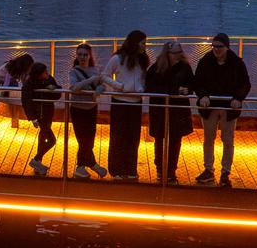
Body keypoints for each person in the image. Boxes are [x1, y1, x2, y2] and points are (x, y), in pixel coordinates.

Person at [192, 33, 251, 188]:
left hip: (228, 107)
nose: (216, 49)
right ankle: (208, 169)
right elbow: (197, 82)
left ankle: (225, 172)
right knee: (208, 139)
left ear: (227, 47)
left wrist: (238, 98)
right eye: (214, 46)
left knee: (228, 140)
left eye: (220, 47)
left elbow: (245, 83)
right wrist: (203, 95)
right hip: (209, 107)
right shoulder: (205, 62)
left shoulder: (237, 63)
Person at [145, 41, 194, 184]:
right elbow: (150, 86)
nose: (179, 55)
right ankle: (160, 169)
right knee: (160, 139)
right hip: (160, 109)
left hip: (177, 111)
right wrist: (175, 90)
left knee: (175, 141)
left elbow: (192, 83)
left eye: (180, 52)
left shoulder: (185, 68)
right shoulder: (156, 69)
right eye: (175, 53)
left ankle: (171, 171)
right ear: (168, 54)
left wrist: (188, 90)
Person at [102, 30, 149, 179]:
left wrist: (142, 87)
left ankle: (130, 169)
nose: (145, 46)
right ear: (135, 43)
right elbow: (105, 75)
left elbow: (142, 78)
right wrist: (119, 86)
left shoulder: (142, 59)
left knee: (133, 137)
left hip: (136, 102)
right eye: (143, 43)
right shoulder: (118, 58)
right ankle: (116, 169)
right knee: (118, 136)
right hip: (120, 102)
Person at [68, 42, 107, 179]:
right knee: (83, 140)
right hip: (78, 109)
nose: (82, 57)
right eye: (80, 54)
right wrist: (91, 80)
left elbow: (102, 86)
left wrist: (98, 90)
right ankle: (87, 165)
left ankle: (85, 166)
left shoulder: (95, 70)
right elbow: (74, 87)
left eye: (85, 54)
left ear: (90, 56)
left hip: (91, 108)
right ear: (77, 56)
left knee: (89, 139)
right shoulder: (74, 71)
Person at [21, 62, 60, 175]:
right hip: (40, 115)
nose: (47, 73)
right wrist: (32, 118)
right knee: (51, 140)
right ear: (38, 74)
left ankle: (38, 163)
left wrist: (54, 89)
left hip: (48, 113)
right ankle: (36, 160)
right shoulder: (30, 83)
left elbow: (57, 94)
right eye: (44, 72)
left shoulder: (49, 79)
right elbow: (26, 101)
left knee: (43, 137)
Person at [0, 52, 33, 129]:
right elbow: (7, 79)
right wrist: (4, 91)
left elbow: (23, 79)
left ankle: (14, 115)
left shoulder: (19, 67)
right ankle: (14, 117)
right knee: (12, 92)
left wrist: (26, 89)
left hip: (8, 80)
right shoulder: (11, 66)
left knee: (15, 89)